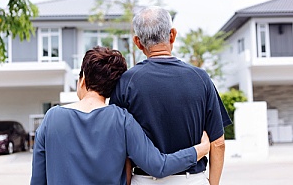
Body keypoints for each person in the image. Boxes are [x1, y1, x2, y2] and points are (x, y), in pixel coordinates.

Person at [30, 46, 210, 185]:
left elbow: (38, 181)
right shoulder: (121, 120)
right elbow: (158, 166)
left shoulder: (52, 119)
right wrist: (199, 149)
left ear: (82, 79)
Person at [110, 6, 232, 185]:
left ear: (138, 42)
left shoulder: (125, 82)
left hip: (144, 179)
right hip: (192, 180)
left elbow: (121, 148)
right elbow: (218, 143)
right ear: (172, 35)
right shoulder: (201, 78)